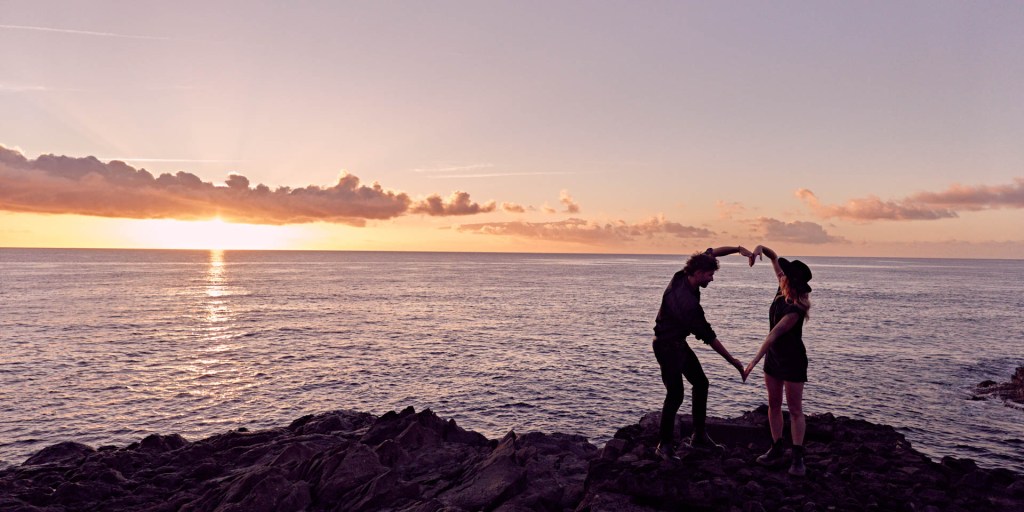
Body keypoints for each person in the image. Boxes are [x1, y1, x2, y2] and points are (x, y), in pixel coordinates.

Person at [653, 246, 751, 461]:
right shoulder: (686, 304)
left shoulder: (682, 275)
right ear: (698, 274)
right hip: (667, 347)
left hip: (678, 343)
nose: (712, 279)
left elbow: (712, 252)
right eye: (710, 275)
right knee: (675, 394)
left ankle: (698, 436)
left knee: (700, 383)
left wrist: (737, 249)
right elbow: (709, 337)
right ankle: (664, 445)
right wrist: (733, 362)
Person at [743, 245, 813, 476]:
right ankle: (776, 447)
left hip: (792, 361)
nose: (780, 274)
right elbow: (774, 257)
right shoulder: (780, 288)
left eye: (785, 274)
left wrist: (752, 362)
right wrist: (759, 249)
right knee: (773, 405)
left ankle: (797, 458)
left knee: (794, 410)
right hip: (773, 359)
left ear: (791, 282)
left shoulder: (796, 310)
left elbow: (773, 335)